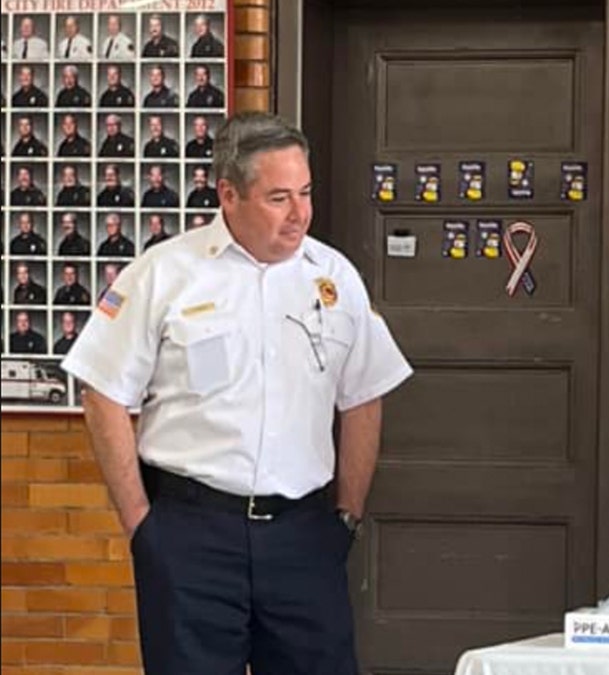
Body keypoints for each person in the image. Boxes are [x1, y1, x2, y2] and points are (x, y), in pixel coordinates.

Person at [62, 111, 413, 675]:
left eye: (305, 192)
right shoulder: (164, 274)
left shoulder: (334, 277)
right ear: (228, 194)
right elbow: (103, 391)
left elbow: (364, 394)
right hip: (192, 534)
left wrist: (345, 516)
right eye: (278, 198)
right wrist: (141, 525)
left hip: (303, 534)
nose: (300, 214)